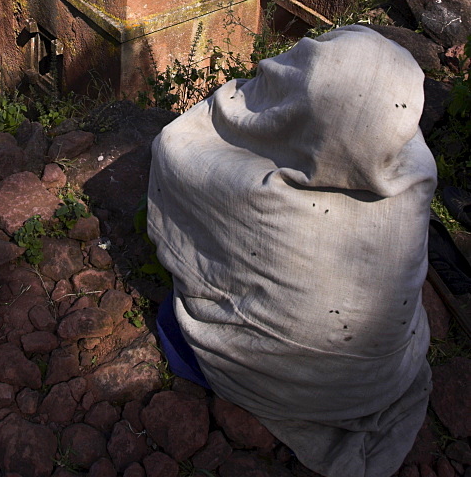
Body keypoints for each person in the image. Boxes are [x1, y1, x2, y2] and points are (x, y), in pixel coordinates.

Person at [148, 25, 437, 477]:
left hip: (260, 378)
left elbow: (176, 149)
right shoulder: (415, 179)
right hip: (376, 384)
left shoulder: (246, 192)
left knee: (176, 315)